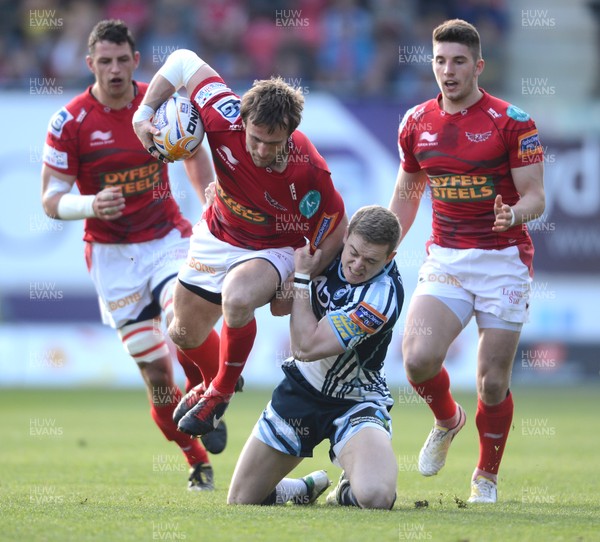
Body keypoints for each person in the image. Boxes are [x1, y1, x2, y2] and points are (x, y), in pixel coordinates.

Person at [41, 19, 225, 491]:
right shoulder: (70, 122)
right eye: (105, 61)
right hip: (110, 257)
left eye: (123, 59)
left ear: (135, 61)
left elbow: (192, 152)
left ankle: (212, 393)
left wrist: (208, 198)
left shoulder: (158, 104)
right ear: (90, 65)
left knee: (183, 324)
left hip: (166, 239)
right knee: (158, 381)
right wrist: (88, 204)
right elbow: (50, 199)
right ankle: (195, 457)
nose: (115, 69)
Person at [131, 48, 348, 437]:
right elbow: (181, 61)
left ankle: (220, 393)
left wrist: (303, 277)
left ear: (291, 133)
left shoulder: (309, 168)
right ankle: (217, 378)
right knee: (182, 332)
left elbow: (335, 226)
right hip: (218, 232)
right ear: (242, 120)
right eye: (257, 139)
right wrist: (142, 114)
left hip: (274, 247)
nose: (264, 150)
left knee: (236, 298)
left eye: (275, 142)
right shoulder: (221, 111)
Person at [388, 19, 545, 503]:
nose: (448, 71)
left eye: (458, 61)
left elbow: (536, 197)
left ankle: (486, 476)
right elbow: (408, 194)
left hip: (503, 261)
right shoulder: (416, 122)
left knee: (492, 382)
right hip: (448, 258)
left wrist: (513, 213)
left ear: (478, 66)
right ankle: (446, 419)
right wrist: (385, 245)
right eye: (439, 61)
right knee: (416, 360)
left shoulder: (512, 121)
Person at [227, 205, 404, 509]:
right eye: (354, 252)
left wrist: (302, 278)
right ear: (345, 236)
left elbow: (305, 348)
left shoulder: (381, 296)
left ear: (389, 258)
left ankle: (348, 490)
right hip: (301, 390)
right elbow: (279, 306)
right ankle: (302, 488)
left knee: (376, 497)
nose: (358, 265)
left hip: (355, 400)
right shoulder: (326, 250)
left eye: (371, 260)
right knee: (242, 501)